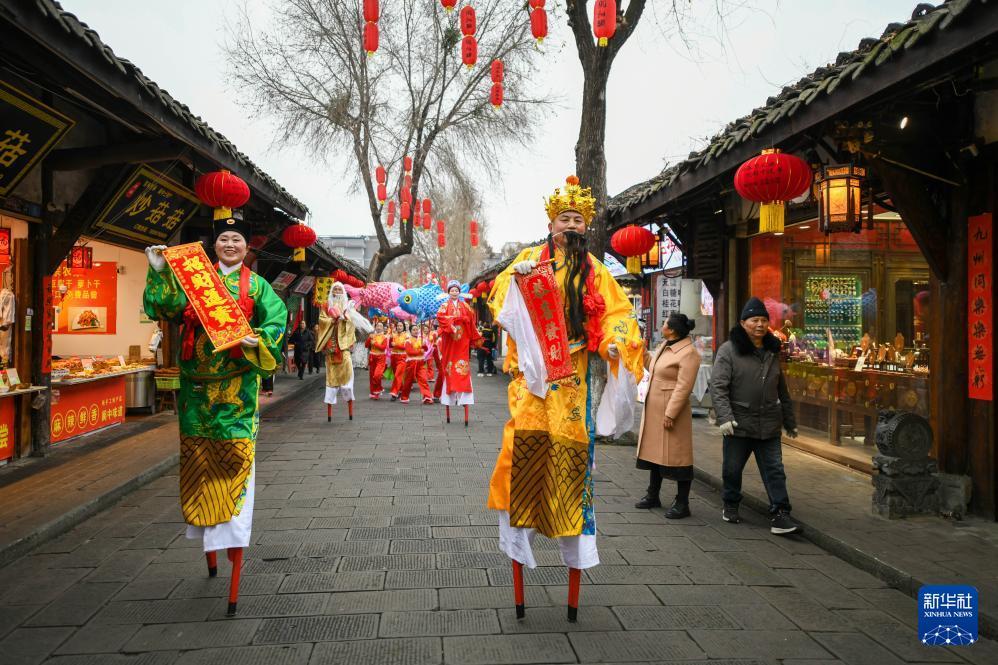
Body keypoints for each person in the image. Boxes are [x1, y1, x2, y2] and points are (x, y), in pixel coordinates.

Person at [487, 175, 643, 622]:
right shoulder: (528, 261)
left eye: (577, 219)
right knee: (523, 453)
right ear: (551, 224)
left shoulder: (596, 270)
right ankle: (520, 547)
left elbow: (618, 315)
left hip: (573, 377)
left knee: (572, 458)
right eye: (563, 219)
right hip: (533, 381)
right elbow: (500, 299)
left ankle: (571, 543)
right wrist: (514, 284)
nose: (570, 225)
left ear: (585, 225)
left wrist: (614, 343)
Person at [143, 212, 287, 616]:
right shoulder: (195, 283)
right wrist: (158, 272)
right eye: (223, 238)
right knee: (197, 457)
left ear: (247, 248)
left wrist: (253, 338)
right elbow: (164, 306)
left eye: (237, 240)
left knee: (234, 458)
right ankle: (207, 535)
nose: (229, 245)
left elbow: (277, 324)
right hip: (194, 389)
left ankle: (232, 540)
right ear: (214, 245)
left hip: (236, 392)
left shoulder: (258, 287)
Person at [710, 296, 802, 536]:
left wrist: (789, 420)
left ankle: (780, 513)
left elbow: (781, 388)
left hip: (769, 422)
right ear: (743, 323)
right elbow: (718, 386)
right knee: (732, 469)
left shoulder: (772, 350)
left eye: (763, 320)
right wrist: (725, 417)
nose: (760, 325)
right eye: (754, 320)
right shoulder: (729, 350)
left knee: (775, 469)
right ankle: (730, 503)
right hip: (738, 422)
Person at [634, 312, 701, 518]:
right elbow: (652, 367)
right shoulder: (666, 345)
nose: (661, 326)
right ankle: (652, 494)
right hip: (655, 410)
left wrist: (671, 413)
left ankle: (682, 503)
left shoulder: (688, 352)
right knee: (655, 455)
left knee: (679, 458)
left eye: (664, 324)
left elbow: (684, 387)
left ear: (671, 329)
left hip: (672, 412)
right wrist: (641, 350)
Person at [316, 281, 373, 421]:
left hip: (344, 348)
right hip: (331, 347)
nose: (337, 292)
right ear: (332, 292)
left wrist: (344, 319)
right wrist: (333, 320)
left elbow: (351, 325)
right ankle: (329, 408)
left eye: (339, 290)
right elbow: (322, 321)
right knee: (331, 379)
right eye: (335, 290)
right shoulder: (325, 306)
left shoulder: (348, 307)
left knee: (347, 377)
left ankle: (349, 403)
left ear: (343, 292)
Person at [436, 279, 482, 424]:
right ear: (448, 292)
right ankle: (450, 391)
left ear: (459, 292)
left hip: (462, 340)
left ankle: (463, 394)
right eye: (452, 290)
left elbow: (471, 319)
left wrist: (463, 320)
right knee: (449, 367)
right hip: (450, 340)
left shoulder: (465, 306)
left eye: (456, 290)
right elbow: (440, 318)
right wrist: (451, 323)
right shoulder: (444, 306)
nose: (454, 292)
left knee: (462, 367)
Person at [398, 322, 433, 404]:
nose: (416, 331)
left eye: (417, 329)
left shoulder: (422, 339)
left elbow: (426, 349)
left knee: (423, 380)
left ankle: (427, 397)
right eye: (413, 330)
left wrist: (424, 345)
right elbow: (409, 352)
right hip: (411, 363)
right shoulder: (408, 341)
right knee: (408, 381)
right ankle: (404, 397)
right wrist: (420, 351)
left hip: (421, 363)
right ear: (410, 331)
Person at [365, 321, 389, 399]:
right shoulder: (372, 335)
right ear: (375, 327)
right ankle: (374, 393)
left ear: (383, 328)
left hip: (381, 358)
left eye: (380, 326)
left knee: (377, 375)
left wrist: (374, 343)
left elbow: (383, 347)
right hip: (372, 357)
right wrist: (369, 338)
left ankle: (378, 388)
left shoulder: (385, 337)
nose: (378, 327)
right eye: (377, 325)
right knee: (372, 376)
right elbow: (366, 345)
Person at [389, 320, 408, 400]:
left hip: (402, 357)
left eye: (401, 326)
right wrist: (390, 339)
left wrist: (395, 345)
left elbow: (405, 347)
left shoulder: (406, 336)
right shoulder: (393, 335)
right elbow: (390, 346)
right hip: (393, 357)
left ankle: (394, 393)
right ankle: (401, 390)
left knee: (397, 375)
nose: (399, 327)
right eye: (398, 326)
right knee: (397, 375)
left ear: (403, 327)